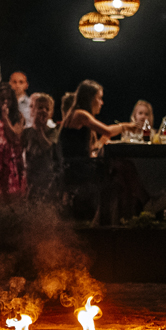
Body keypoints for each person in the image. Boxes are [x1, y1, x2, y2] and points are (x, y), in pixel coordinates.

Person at [59, 80, 141, 223]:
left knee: (121, 172)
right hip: (77, 169)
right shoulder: (80, 114)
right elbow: (108, 130)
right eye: (99, 98)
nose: (101, 102)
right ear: (90, 98)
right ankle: (136, 207)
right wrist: (126, 126)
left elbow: (85, 148)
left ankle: (118, 219)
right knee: (123, 168)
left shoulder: (77, 115)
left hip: (78, 165)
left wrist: (101, 143)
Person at [22, 93, 61, 201]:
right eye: (40, 108)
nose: (43, 110)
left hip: (46, 176)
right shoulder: (27, 132)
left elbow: (47, 147)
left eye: (47, 109)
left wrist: (39, 130)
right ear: (33, 110)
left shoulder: (53, 131)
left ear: (51, 113)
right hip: (30, 174)